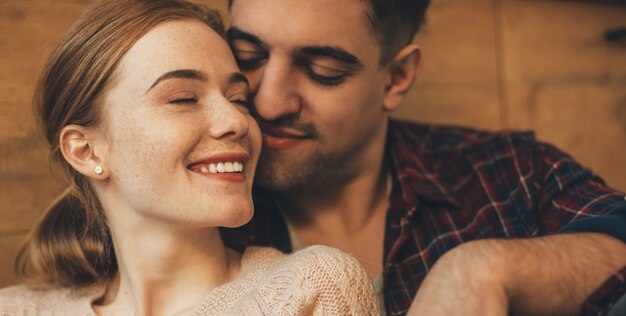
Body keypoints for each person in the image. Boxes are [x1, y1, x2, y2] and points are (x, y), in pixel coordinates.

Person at [221, 0, 626, 315]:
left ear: (397, 78)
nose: (270, 104)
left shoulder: (511, 172)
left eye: (323, 71)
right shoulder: (199, 211)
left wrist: (483, 270)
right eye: (247, 56)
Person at [0, 0, 378, 315]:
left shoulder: (311, 290)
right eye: (184, 98)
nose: (237, 121)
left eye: (238, 99)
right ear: (86, 151)